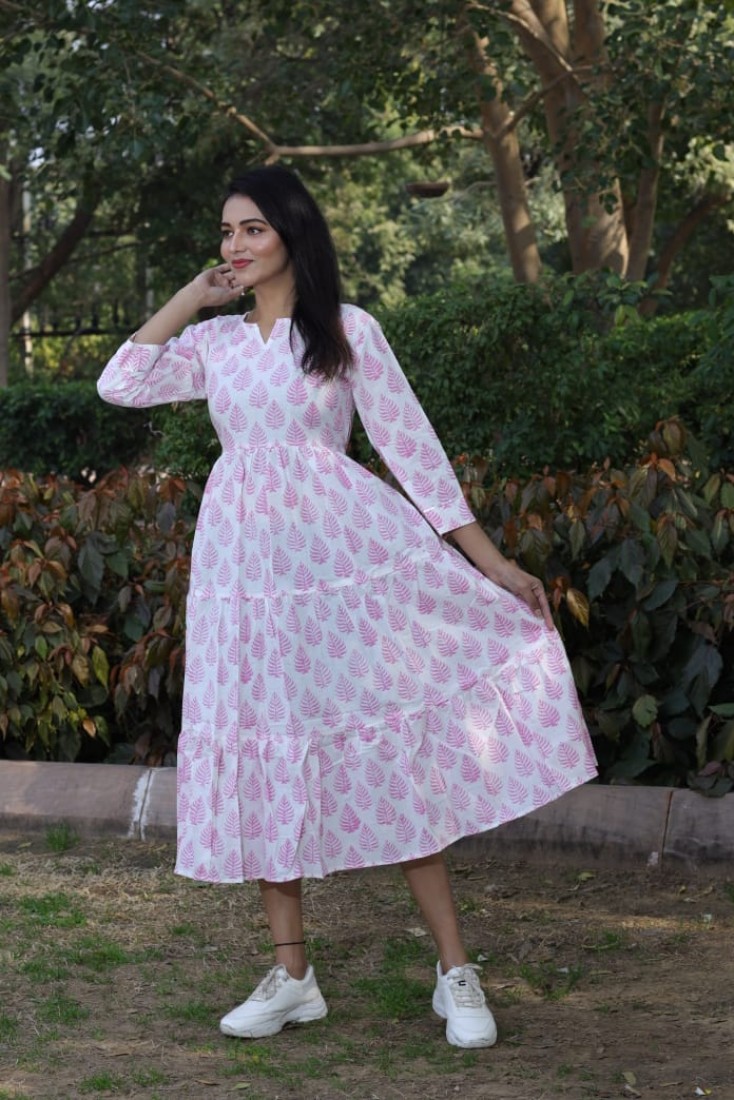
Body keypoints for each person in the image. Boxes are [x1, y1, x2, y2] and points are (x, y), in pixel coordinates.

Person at [98, 165, 597, 1050]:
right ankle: (293, 978)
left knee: (392, 748)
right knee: (266, 750)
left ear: (293, 232)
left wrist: (490, 563)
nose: (235, 246)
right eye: (226, 232)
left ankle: (455, 971)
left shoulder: (346, 331)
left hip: (345, 569)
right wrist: (190, 296)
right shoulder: (213, 345)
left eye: (252, 229)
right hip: (244, 578)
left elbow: (416, 454)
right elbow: (119, 382)